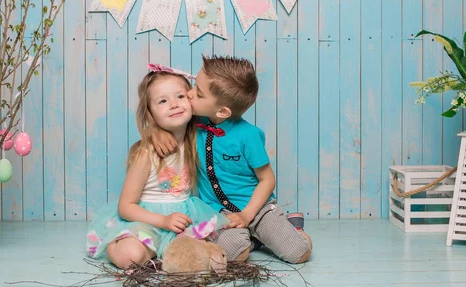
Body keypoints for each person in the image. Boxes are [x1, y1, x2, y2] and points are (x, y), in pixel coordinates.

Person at [152, 56, 312, 264]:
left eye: (198, 93)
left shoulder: (249, 135)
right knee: (235, 254)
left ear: (222, 111)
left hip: (256, 207)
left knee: (298, 253)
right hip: (218, 210)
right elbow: (160, 116)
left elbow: (267, 180)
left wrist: (247, 215)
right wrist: (155, 132)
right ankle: (256, 240)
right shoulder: (191, 121)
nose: (189, 95)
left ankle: (288, 228)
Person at [86, 65, 229, 269]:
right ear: (150, 113)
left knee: (211, 255)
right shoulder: (147, 153)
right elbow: (125, 207)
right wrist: (162, 221)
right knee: (131, 256)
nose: (174, 104)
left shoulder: (197, 138)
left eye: (180, 96)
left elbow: (218, 111)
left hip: (185, 215)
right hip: (148, 220)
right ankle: (114, 244)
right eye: (162, 101)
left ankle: (168, 250)